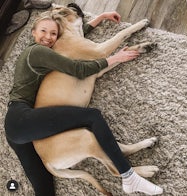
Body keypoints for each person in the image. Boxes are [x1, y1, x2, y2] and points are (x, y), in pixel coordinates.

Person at [4, 9, 163, 196]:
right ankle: (128, 175)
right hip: (21, 119)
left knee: (45, 190)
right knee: (92, 117)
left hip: (19, 129)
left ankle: (124, 160)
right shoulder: (37, 51)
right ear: (33, 32)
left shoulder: (47, 48)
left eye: (53, 34)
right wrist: (115, 57)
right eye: (43, 32)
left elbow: (74, 41)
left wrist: (100, 18)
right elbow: (77, 68)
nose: (48, 37)